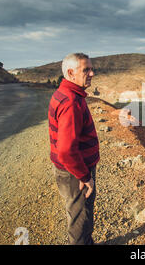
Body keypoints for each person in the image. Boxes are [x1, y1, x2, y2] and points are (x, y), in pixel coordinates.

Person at [48, 53, 99, 245]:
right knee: (80, 219)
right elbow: (67, 150)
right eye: (86, 70)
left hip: (72, 170)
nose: (92, 73)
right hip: (75, 173)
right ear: (71, 73)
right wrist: (85, 176)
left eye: (91, 69)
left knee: (81, 214)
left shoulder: (65, 94)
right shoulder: (71, 101)